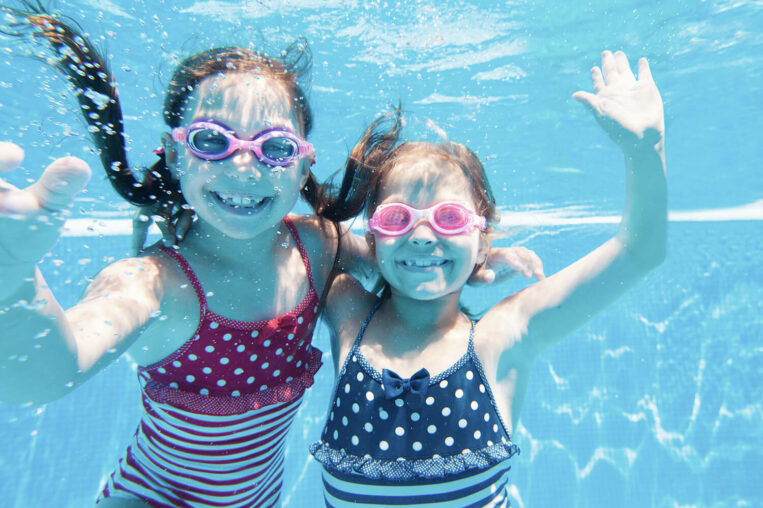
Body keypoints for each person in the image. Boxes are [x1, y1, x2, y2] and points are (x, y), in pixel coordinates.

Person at [0, 6, 542, 507]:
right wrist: (13, 278)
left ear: (304, 168)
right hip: (150, 496)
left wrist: (473, 262)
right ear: (172, 154)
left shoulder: (317, 247)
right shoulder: (151, 283)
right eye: (212, 141)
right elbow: (47, 376)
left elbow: (398, 263)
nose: (244, 166)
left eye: (275, 148)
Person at [310, 50, 667, 507]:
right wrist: (466, 265)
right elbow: (308, 240)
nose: (422, 236)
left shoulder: (502, 336)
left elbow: (639, 252)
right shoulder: (347, 310)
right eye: (398, 218)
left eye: (450, 219)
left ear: (482, 238)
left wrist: (645, 152)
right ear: (374, 237)